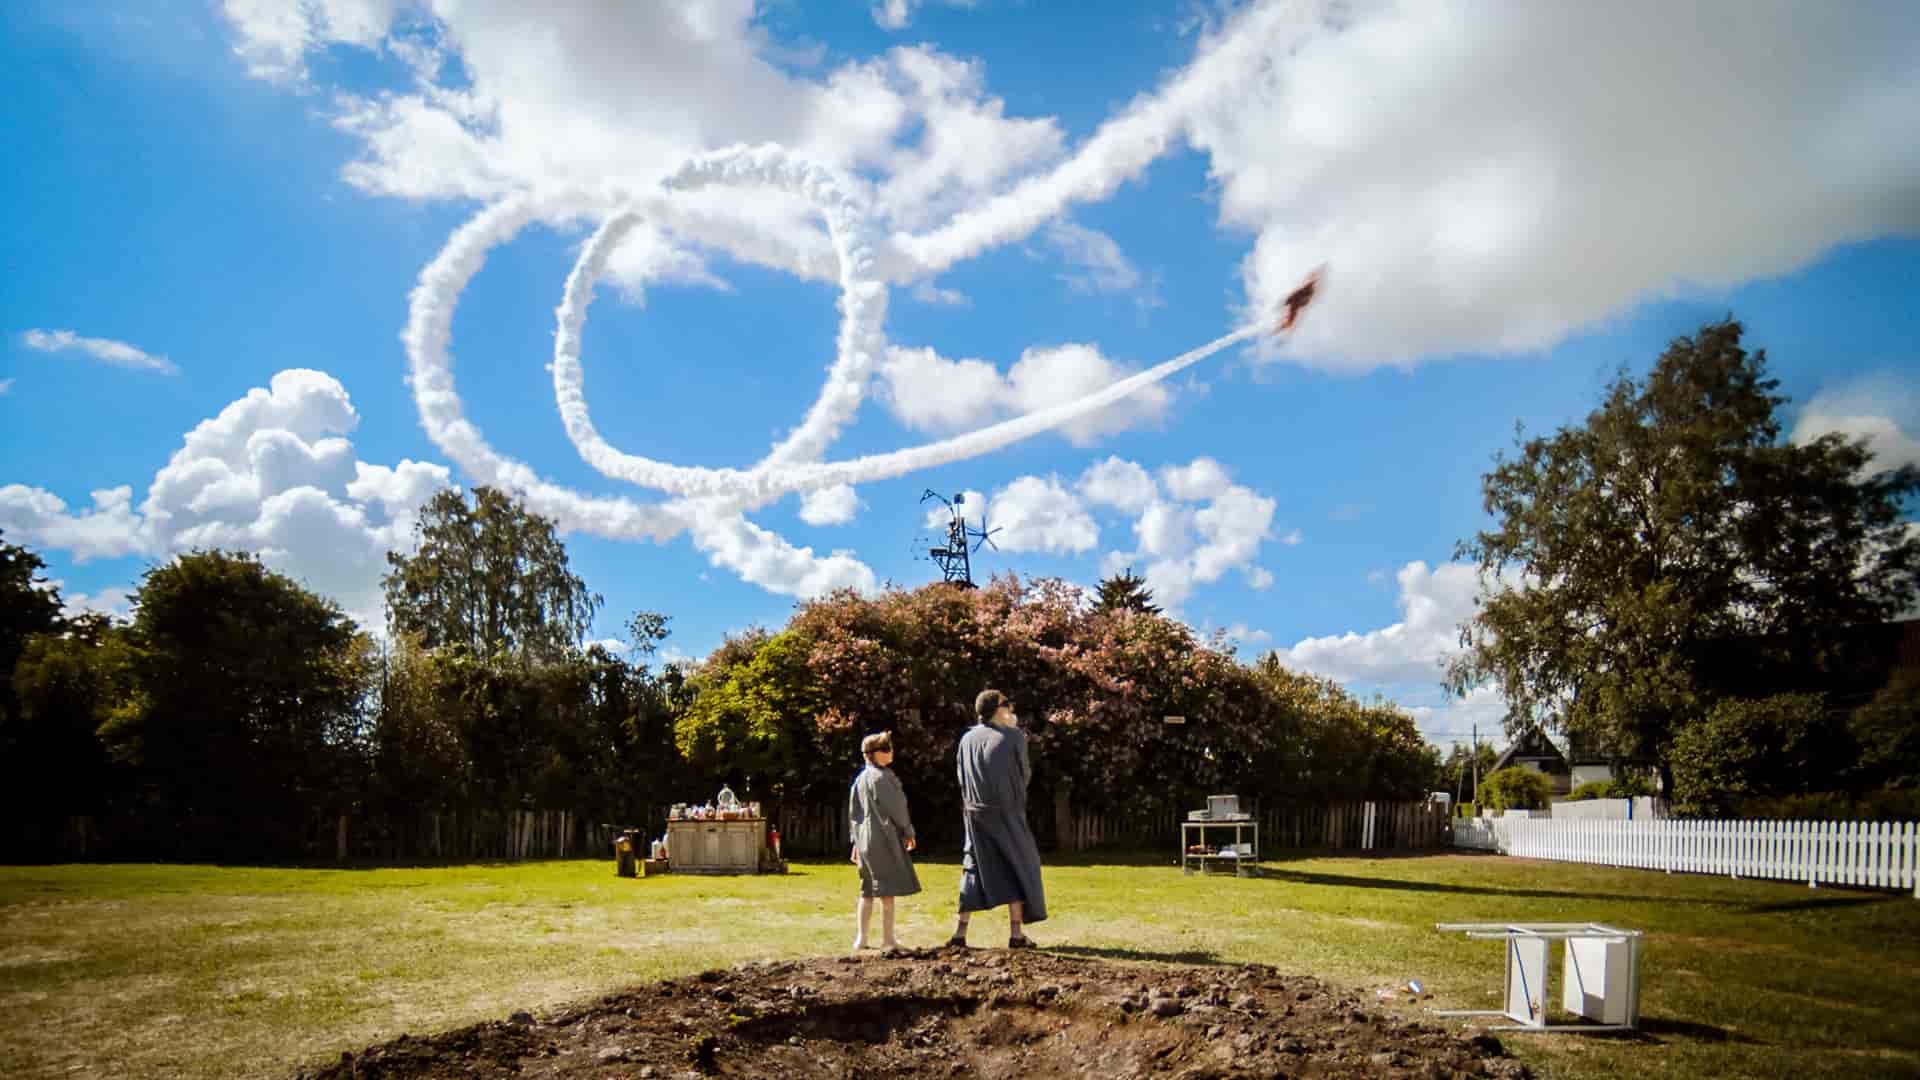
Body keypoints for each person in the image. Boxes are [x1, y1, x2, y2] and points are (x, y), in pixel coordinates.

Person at [949, 689, 1047, 949]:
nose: (1011, 710)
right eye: (1007, 705)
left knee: (972, 867)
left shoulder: (966, 739)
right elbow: (1024, 774)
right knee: (1019, 864)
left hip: (974, 813)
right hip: (1006, 812)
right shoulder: (1014, 736)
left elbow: (961, 776)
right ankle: (1016, 935)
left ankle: (960, 933)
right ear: (997, 709)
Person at [848, 730, 919, 951]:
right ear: (877, 754)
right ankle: (888, 939)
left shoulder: (860, 779)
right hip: (883, 839)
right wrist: (908, 832)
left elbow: (854, 814)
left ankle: (861, 939)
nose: (892, 752)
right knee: (887, 891)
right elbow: (898, 809)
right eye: (887, 748)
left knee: (866, 890)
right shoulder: (884, 778)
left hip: (864, 841)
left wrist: (855, 843)